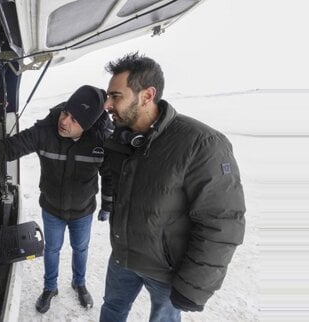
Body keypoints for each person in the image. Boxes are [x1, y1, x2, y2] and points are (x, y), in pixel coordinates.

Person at [98, 53, 246, 322]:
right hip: (122, 258)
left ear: (147, 95)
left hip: (165, 271)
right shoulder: (120, 139)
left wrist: (194, 286)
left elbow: (222, 220)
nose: (107, 104)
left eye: (115, 96)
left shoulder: (201, 144)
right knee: (111, 310)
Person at [0, 85, 113, 313]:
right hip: (52, 208)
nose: (65, 121)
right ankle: (50, 287)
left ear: (88, 126)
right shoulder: (45, 131)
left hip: (83, 210)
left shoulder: (101, 141)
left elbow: (111, 175)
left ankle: (79, 283)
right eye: (65, 113)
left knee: (80, 248)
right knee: (52, 248)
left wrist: (108, 204)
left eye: (74, 120)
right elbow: (9, 147)